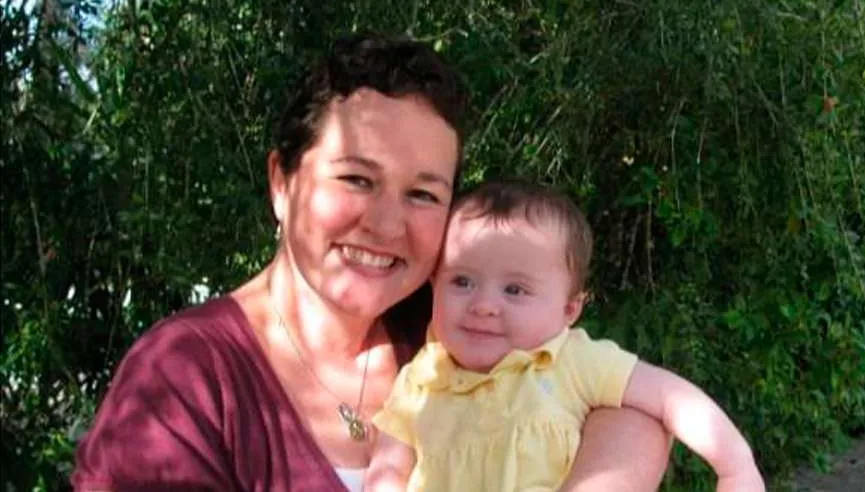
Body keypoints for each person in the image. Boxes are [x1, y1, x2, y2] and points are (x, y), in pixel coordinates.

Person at [71, 34, 671, 491]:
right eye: (357, 179)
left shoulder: (456, 325)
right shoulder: (186, 378)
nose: (386, 225)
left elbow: (629, 407)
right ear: (282, 182)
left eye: (423, 194)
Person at [366, 180, 766, 492]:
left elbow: (670, 397)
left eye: (515, 290)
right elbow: (388, 471)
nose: (483, 305)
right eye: (462, 281)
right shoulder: (422, 378)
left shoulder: (572, 362)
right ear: (434, 284)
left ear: (569, 310)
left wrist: (736, 466)